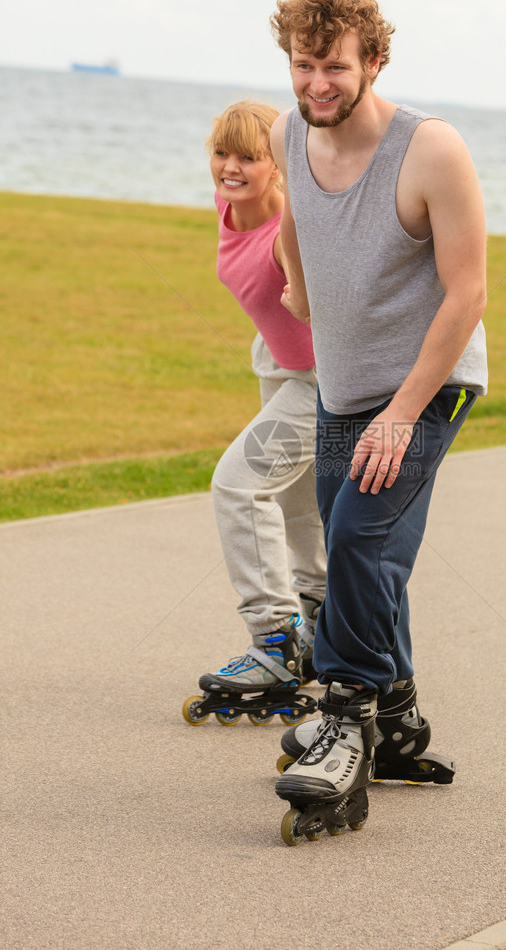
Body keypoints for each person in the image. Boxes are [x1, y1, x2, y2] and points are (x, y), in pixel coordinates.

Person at [267, 0, 489, 843]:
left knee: (359, 536)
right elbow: (290, 216)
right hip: (343, 386)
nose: (317, 83)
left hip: (425, 387)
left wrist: (400, 413)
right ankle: (395, 722)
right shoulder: (290, 133)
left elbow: (467, 292)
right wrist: (293, 278)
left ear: (374, 63)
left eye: (334, 66)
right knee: (362, 555)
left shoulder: (429, 150)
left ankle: (345, 723)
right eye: (303, 65)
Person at [182, 101, 326, 729]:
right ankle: (318, 615)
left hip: (323, 380)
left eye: (249, 156)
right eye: (223, 152)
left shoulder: (296, 230)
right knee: (292, 501)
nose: (231, 167)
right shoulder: (228, 205)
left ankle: (275, 638)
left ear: (278, 164)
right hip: (278, 364)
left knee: (239, 486)